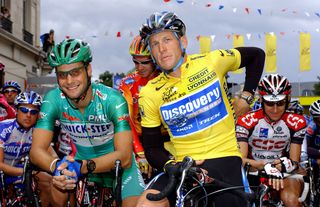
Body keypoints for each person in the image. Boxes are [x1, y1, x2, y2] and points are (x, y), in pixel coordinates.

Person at [136, 11, 265, 207]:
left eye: (167, 39)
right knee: (146, 204)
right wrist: (172, 166)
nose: (161, 48)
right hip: (184, 165)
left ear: (183, 42)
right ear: (151, 52)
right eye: (154, 44)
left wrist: (246, 97)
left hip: (224, 156)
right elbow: (152, 148)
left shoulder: (212, 61)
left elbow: (257, 55)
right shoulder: (149, 93)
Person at [29, 38, 145, 207]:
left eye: (75, 72)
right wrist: (57, 166)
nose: (69, 81)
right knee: (57, 196)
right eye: (62, 75)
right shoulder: (53, 99)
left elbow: (125, 157)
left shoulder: (112, 99)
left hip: (116, 167)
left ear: (88, 70)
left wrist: (83, 166)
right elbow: (36, 151)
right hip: (79, 164)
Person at [236, 74, 307, 207]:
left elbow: (295, 161)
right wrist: (264, 165)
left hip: (284, 172)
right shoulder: (246, 121)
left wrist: (286, 165)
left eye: (280, 103)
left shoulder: (297, 122)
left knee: (290, 199)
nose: (275, 109)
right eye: (269, 103)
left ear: (287, 100)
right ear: (262, 100)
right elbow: (240, 159)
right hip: (252, 170)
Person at [0, 91, 52, 206]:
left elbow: (52, 156)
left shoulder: (37, 132)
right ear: (17, 111)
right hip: (5, 169)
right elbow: (0, 165)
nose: (28, 115)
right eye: (24, 110)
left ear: (38, 115)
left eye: (33, 112)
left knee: (49, 181)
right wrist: (26, 172)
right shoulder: (3, 128)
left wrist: (60, 167)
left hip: (18, 170)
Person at [119, 35, 159, 179]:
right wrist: (140, 152)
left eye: (145, 62)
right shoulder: (128, 83)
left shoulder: (167, 77)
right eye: (135, 62)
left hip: (166, 138)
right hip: (138, 139)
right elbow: (125, 118)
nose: (139, 67)